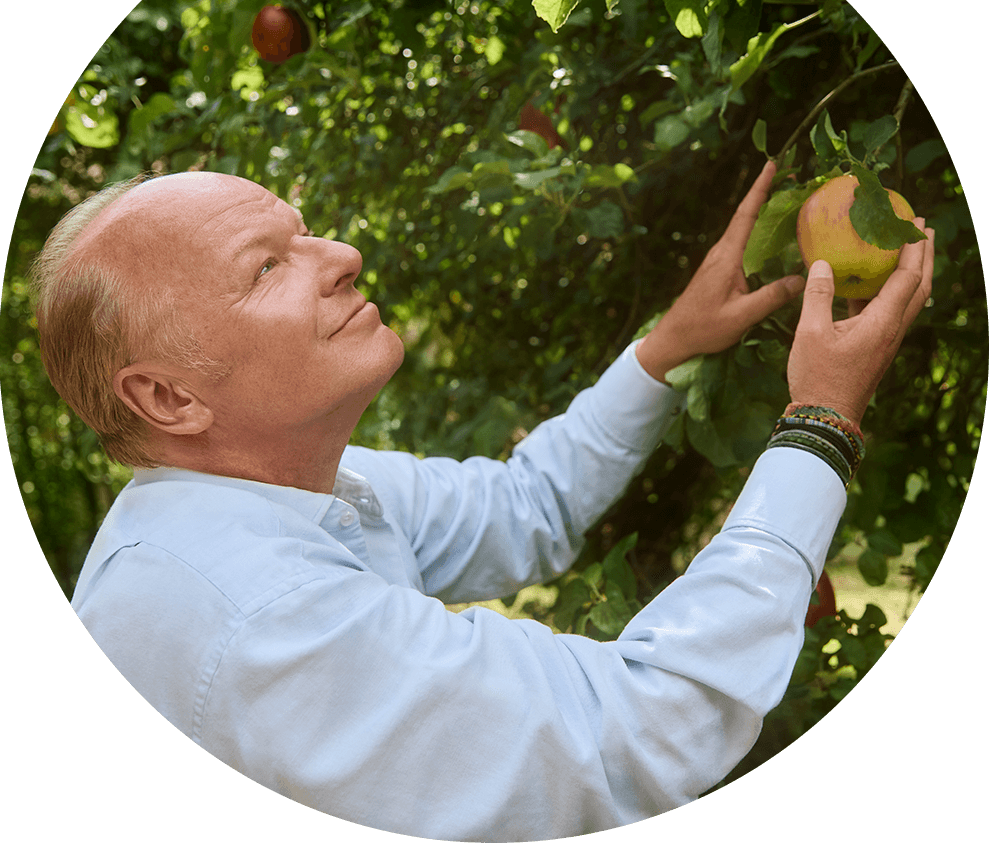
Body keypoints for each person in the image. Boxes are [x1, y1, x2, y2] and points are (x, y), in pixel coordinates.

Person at [33, 163, 933, 840]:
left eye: (304, 233)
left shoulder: (291, 487)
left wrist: (665, 348)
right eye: (266, 268)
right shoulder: (250, 612)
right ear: (170, 400)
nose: (342, 256)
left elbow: (524, 506)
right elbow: (634, 735)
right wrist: (821, 423)